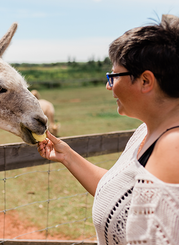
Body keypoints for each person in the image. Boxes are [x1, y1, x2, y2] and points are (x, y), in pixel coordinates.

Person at [38, 14, 179, 245]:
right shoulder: (145, 132)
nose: (108, 85)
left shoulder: (173, 146)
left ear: (146, 81)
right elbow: (121, 197)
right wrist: (67, 156)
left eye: (113, 76)